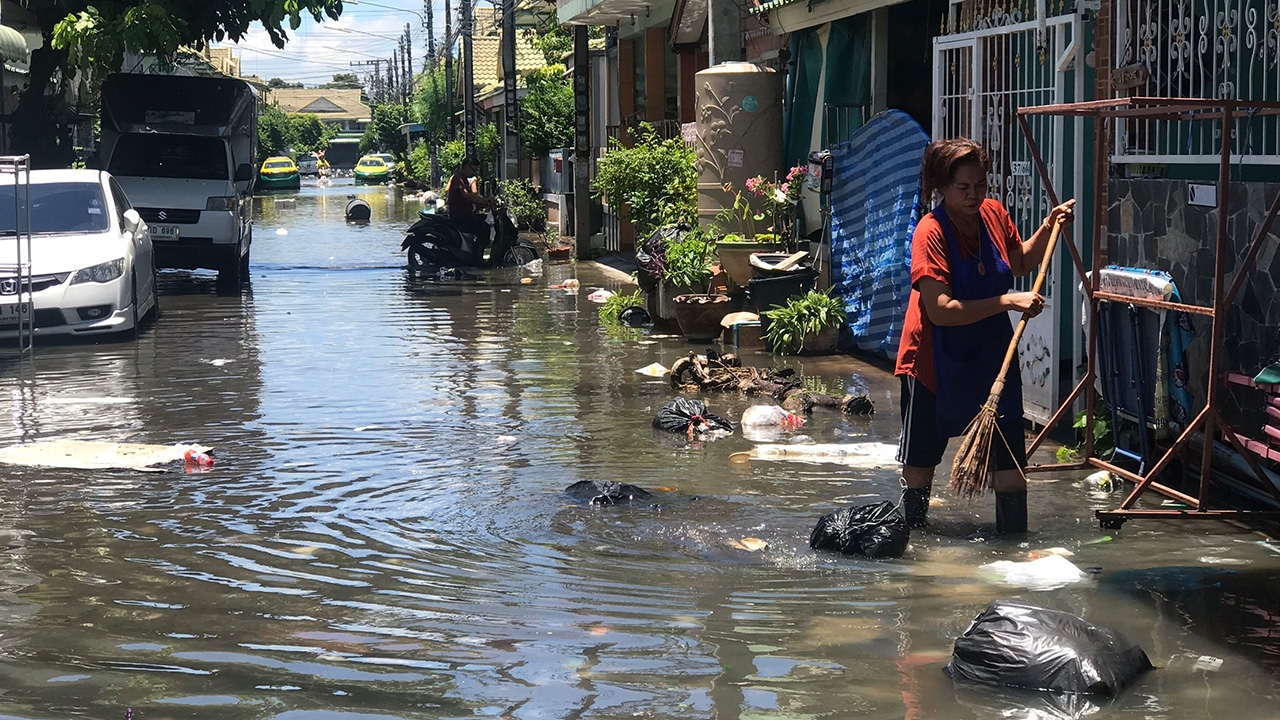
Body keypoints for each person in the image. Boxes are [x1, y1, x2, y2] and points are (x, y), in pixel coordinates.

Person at [895, 138, 1075, 534]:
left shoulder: (993, 214)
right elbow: (941, 310)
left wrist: (1049, 227)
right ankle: (912, 541)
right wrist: (1007, 301)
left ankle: (1013, 545)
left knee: (1011, 464)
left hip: (991, 353)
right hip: (934, 356)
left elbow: (1021, 261)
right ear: (943, 186)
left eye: (981, 185)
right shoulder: (930, 232)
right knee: (922, 462)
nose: (975, 195)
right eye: (964, 188)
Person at [447, 155, 493, 263]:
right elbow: (465, 194)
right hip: (460, 216)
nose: (474, 172)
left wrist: (483, 203)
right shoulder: (458, 178)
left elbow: (471, 198)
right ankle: (477, 259)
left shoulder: (464, 179)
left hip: (467, 214)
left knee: (483, 219)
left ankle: (473, 252)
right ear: (466, 166)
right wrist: (483, 200)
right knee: (484, 229)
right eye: (473, 169)